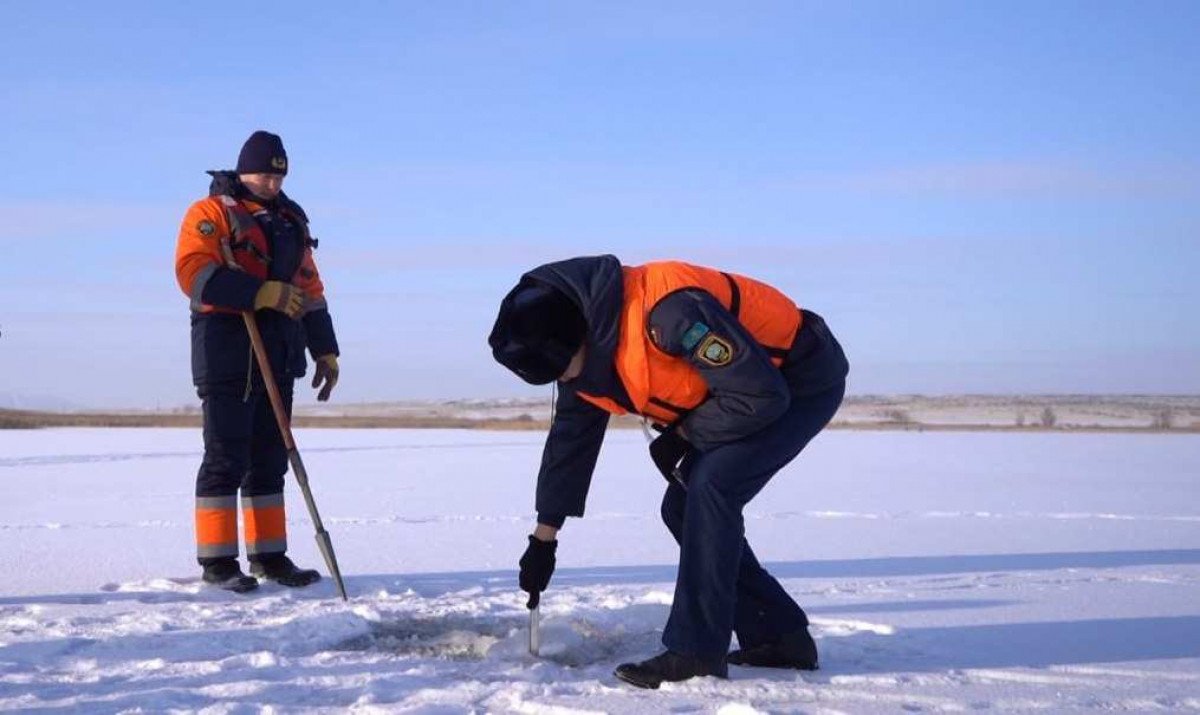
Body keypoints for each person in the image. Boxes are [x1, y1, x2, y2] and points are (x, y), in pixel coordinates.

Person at [488, 255, 849, 688]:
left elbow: (760, 395)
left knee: (712, 486)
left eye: (563, 369)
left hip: (798, 376)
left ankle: (696, 651)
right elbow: (571, 443)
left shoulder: (671, 313)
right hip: (745, 396)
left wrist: (683, 437)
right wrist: (544, 539)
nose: (565, 380)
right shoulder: (583, 356)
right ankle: (779, 636)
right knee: (680, 505)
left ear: (577, 335)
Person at [174, 131, 340, 592]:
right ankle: (219, 563)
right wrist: (258, 292)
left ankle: (270, 556)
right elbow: (194, 274)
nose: (271, 182)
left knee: (270, 458)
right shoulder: (210, 214)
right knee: (226, 455)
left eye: (278, 174)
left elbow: (309, 288)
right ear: (243, 169)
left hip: (279, 351)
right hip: (227, 347)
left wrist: (324, 347)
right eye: (264, 173)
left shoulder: (290, 220)